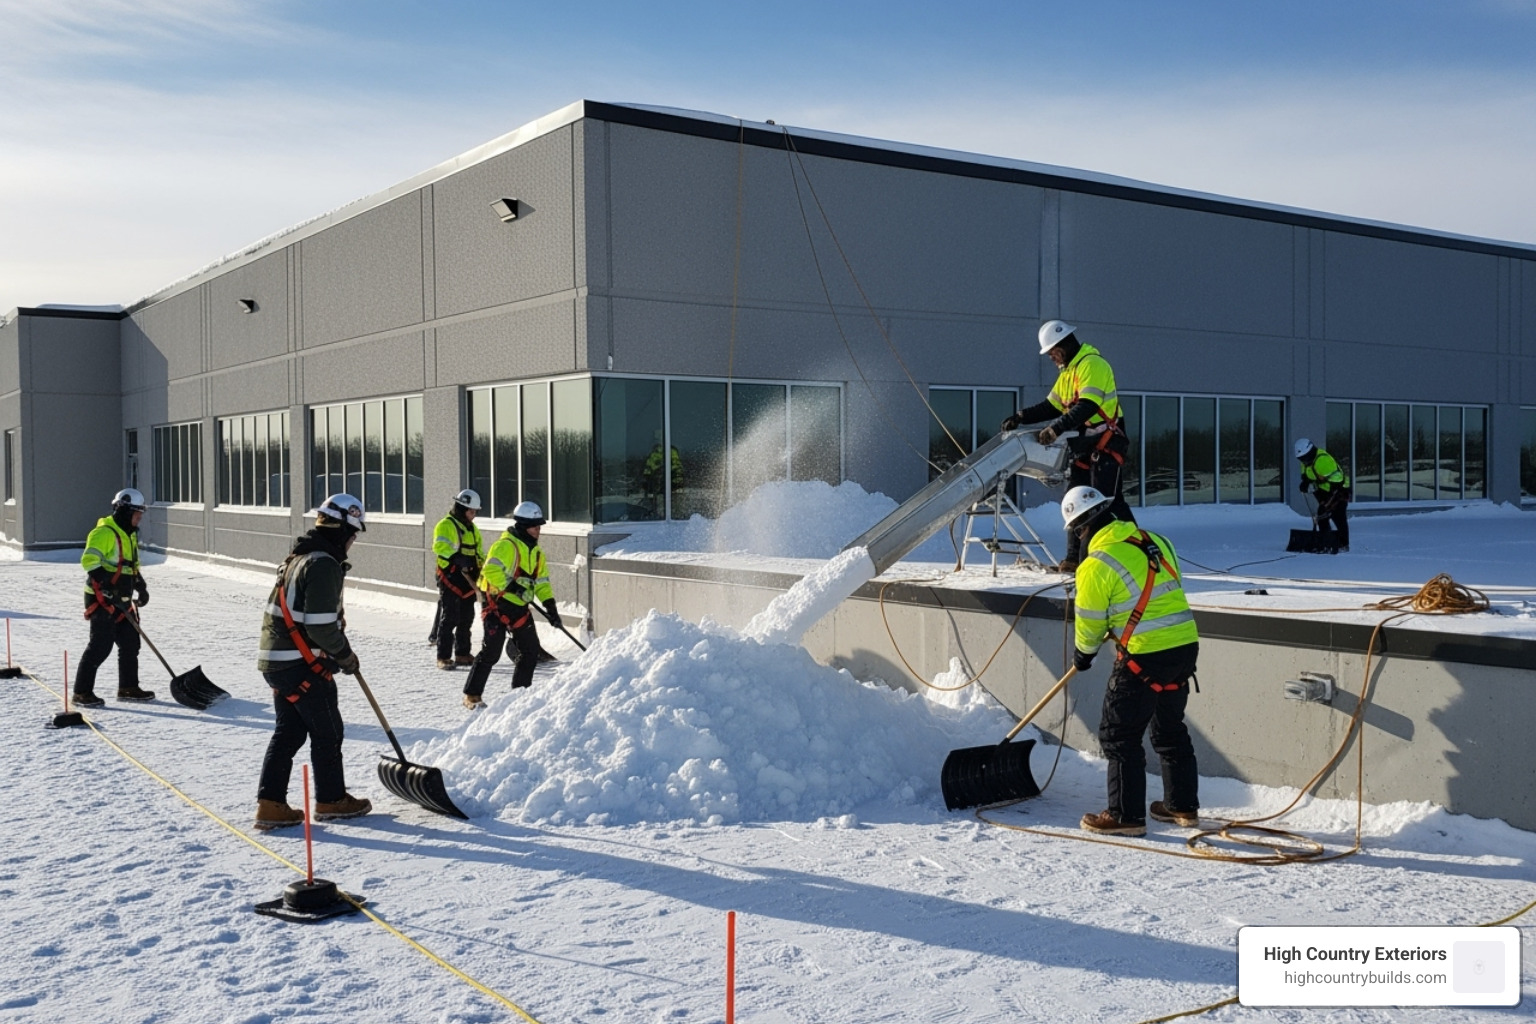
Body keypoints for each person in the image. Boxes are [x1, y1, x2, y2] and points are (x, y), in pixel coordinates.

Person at [1061, 484, 1200, 837]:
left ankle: (1125, 815)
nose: (1079, 537)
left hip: (1144, 655)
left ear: (1084, 526)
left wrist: (1083, 654)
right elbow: (1170, 587)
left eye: (1077, 530)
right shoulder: (1157, 541)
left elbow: (1090, 620)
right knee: (1170, 728)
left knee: (1118, 734)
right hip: (1184, 646)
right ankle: (1181, 807)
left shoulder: (1096, 563)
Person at [253, 493, 373, 830]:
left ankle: (270, 804)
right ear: (342, 530)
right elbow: (319, 625)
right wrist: (345, 656)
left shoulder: (298, 557)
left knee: (289, 732)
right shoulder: (322, 564)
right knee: (328, 730)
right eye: (353, 534)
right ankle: (332, 800)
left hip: (276, 660)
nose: (352, 541)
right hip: (298, 662)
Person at [1002, 319, 1135, 573]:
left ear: (1064, 344)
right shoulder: (1068, 374)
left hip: (1106, 444)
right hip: (1085, 448)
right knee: (1075, 500)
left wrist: (1056, 429)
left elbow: (1088, 405)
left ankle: (1106, 557)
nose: (1052, 357)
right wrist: (1021, 416)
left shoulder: (1093, 365)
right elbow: (1051, 406)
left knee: (1104, 503)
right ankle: (1073, 559)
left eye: (1052, 352)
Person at [462, 500, 560, 709]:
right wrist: (514, 587)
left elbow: (542, 582)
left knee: (530, 651)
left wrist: (551, 607)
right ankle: (472, 695)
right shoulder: (506, 545)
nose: (539, 530)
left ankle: (519, 695)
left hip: (519, 608)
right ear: (524, 526)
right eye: (535, 526)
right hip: (496, 604)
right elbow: (490, 571)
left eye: (539, 526)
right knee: (491, 653)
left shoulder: (536, 552)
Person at [73, 488, 155, 706]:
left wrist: (141, 586)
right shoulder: (104, 532)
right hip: (101, 598)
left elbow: (130, 565)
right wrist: (107, 587)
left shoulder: (129, 534)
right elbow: (89, 562)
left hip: (123, 597)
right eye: (137, 513)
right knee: (100, 646)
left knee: (130, 643)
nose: (140, 518)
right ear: (125, 511)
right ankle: (81, 693)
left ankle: (128, 688)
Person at [432, 488, 486, 670]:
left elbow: (479, 552)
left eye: (475, 512)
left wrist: (482, 569)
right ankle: (443, 656)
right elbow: (439, 546)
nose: (474, 515)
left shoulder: (472, 529)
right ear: (462, 509)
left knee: (466, 617)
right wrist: (456, 557)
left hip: (467, 579)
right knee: (450, 618)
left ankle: (462, 653)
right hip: (450, 576)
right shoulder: (446, 525)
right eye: (472, 512)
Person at [1294, 438, 1351, 551]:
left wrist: (1329, 501)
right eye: (1301, 459)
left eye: (1305, 458)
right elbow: (1306, 477)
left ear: (1311, 452)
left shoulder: (1323, 461)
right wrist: (1305, 484)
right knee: (1322, 516)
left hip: (1339, 489)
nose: (1303, 461)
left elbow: (1338, 480)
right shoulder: (1305, 464)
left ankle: (1343, 544)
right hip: (1323, 490)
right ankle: (1326, 540)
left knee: (1337, 516)